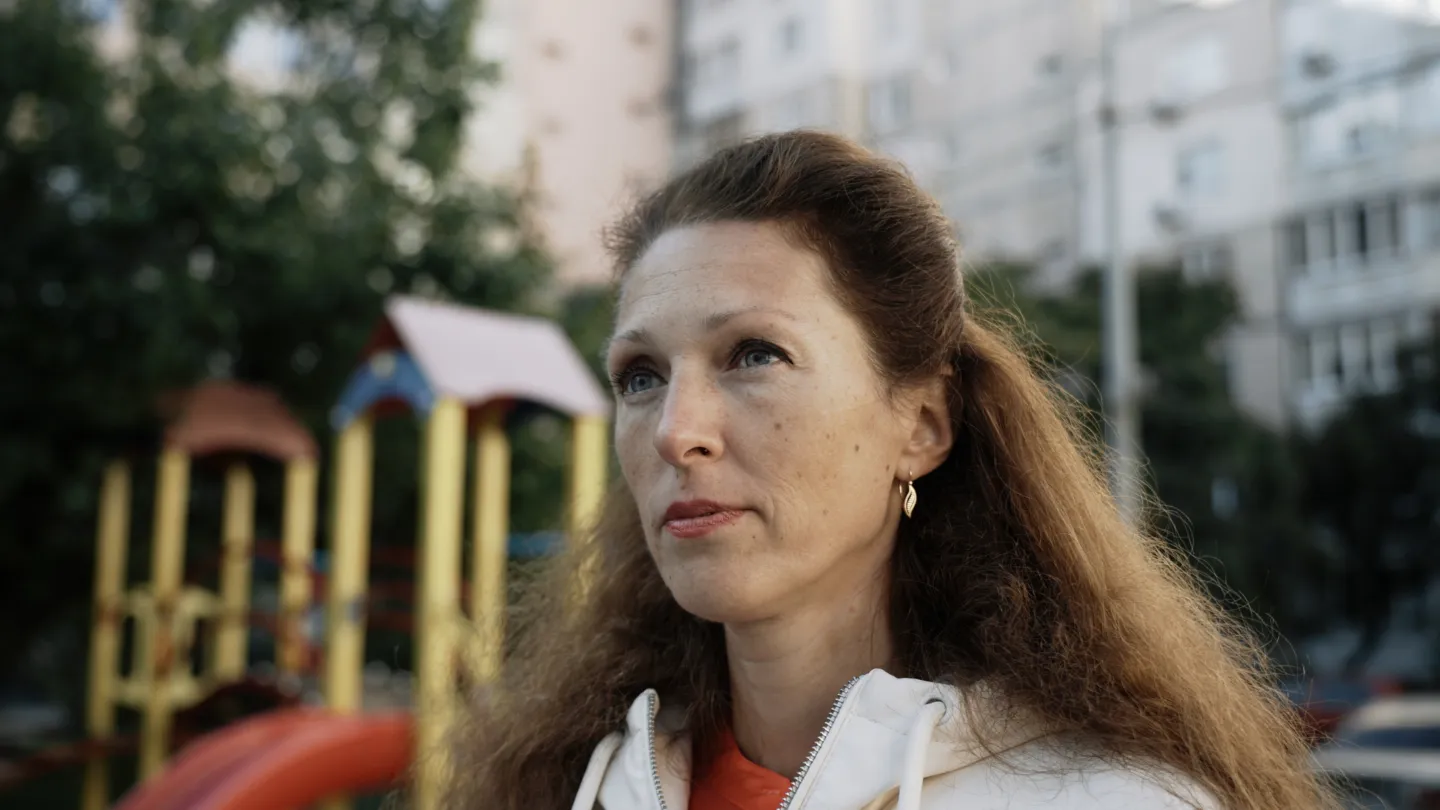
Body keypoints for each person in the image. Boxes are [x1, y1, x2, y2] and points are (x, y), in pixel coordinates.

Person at [447, 131, 1337, 810]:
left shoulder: (1108, 801)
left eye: (754, 355)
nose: (677, 432)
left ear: (922, 425)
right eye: (641, 377)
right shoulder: (572, 786)